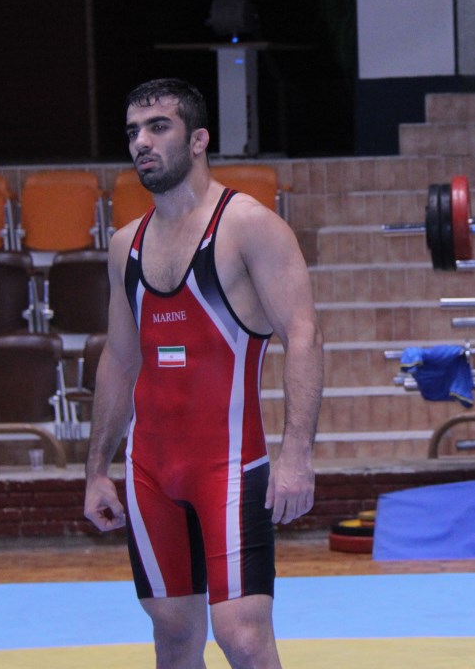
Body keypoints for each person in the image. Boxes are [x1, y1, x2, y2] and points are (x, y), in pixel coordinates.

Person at [84, 78, 324, 669]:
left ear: (198, 140)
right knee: (172, 634)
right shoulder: (124, 245)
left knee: (242, 635)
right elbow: (120, 358)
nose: (141, 142)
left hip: (230, 466)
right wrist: (96, 471)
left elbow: (303, 335)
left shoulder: (249, 226)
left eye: (157, 127)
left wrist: (296, 454)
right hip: (149, 470)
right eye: (133, 132)